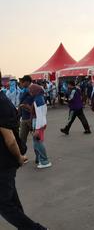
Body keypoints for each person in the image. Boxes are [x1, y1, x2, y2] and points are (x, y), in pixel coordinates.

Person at [0, 77, 47, 229]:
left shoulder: (2, 103)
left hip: (4, 161)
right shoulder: (5, 99)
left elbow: (11, 139)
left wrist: (19, 157)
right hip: (7, 159)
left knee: (4, 204)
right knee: (11, 201)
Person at [29, 84, 52, 168]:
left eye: (31, 91)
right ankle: (41, 160)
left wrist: (37, 129)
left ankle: (44, 161)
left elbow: (40, 115)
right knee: (37, 143)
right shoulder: (40, 98)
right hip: (40, 123)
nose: (30, 93)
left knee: (38, 143)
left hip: (39, 123)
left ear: (35, 91)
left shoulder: (38, 100)